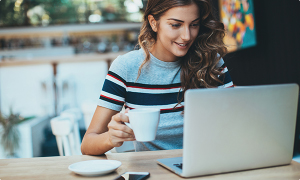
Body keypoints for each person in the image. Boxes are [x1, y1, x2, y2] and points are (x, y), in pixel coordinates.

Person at [81, 0, 233, 155]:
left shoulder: (211, 62)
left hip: (205, 166)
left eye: (194, 24)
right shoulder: (126, 67)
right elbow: (87, 144)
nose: (187, 36)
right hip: (153, 172)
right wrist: (110, 138)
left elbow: (237, 122)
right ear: (153, 23)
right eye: (175, 25)